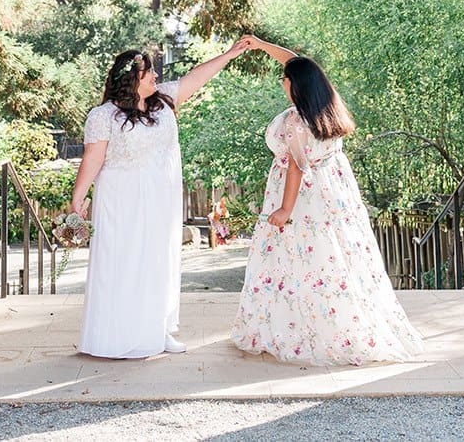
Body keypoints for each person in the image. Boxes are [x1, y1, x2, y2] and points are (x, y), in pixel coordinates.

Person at [231, 35, 424, 366]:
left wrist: (284, 210)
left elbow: (295, 167)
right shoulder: (325, 108)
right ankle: (341, 323)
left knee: (297, 259)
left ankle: (299, 330)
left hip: (302, 197)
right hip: (333, 193)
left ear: (295, 86)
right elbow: (295, 61)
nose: (282, 82)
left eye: (285, 80)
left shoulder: (296, 122)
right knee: (336, 256)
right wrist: (262, 46)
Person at [72, 39, 250, 358]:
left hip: (161, 202)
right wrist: (77, 202)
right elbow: (92, 161)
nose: (155, 75)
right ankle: (120, 335)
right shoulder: (103, 116)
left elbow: (197, 77)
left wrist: (230, 54)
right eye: (148, 71)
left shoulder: (163, 101)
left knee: (160, 262)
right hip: (121, 203)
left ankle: (158, 328)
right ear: (131, 79)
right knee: (125, 264)